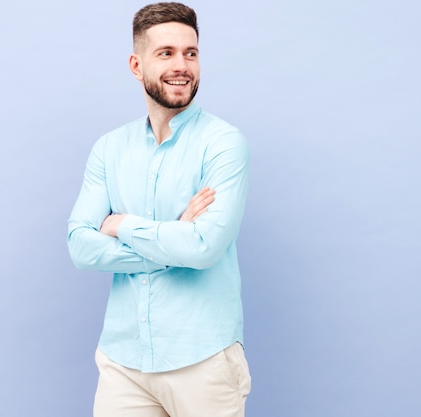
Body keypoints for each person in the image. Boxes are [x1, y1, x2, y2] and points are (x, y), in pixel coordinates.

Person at [67, 2, 251, 416]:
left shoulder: (224, 144)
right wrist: (171, 238)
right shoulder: (109, 149)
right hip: (123, 363)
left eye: (191, 53)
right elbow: (80, 246)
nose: (181, 65)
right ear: (137, 65)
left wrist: (122, 225)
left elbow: (203, 248)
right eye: (165, 53)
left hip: (203, 362)